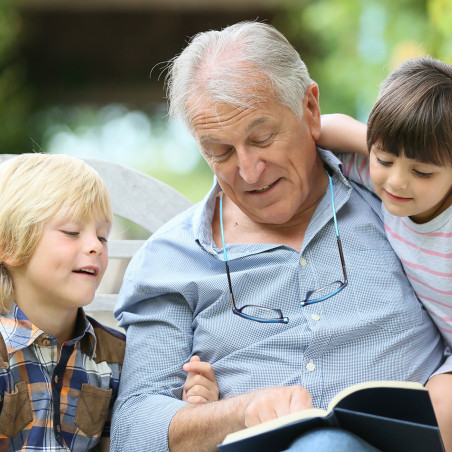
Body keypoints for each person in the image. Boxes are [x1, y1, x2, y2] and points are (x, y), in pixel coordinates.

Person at [111, 22, 444, 452]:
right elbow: (133, 431)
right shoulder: (171, 260)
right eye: (220, 152)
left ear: (310, 109)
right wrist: (238, 413)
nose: (249, 172)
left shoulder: (398, 205)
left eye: (262, 138)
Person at [314, 57, 452, 451]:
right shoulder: (376, 173)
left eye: (422, 172)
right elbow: (321, 129)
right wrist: (379, 142)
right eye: (385, 160)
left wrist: (391, 147)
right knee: (437, 412)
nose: (397, 182)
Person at [0, 153, 126, 451]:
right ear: (10, 245)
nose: (95, 246)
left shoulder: (115, 356)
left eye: (103, 236)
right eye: (72, 232)